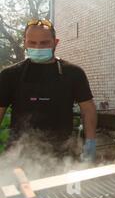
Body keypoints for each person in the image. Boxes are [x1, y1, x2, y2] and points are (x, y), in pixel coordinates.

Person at [0, 20, 97, 161]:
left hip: (63, 155)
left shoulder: (74, 73)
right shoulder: (10, 74)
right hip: (19, 154)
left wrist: (90, 142)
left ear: (55, 42)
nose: (38, 47)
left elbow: (88, 109)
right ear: (25, 43)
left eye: (44, 43)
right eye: (32, 43)